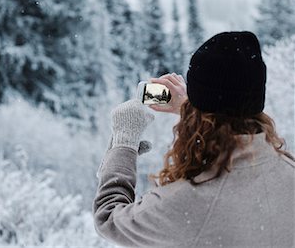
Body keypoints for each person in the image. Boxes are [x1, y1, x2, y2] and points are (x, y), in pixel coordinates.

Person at [92, 31, 295, 248]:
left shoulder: (190, 201)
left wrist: (124, 143)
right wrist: (194, 107)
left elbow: (108, 219)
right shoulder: (287, 169)